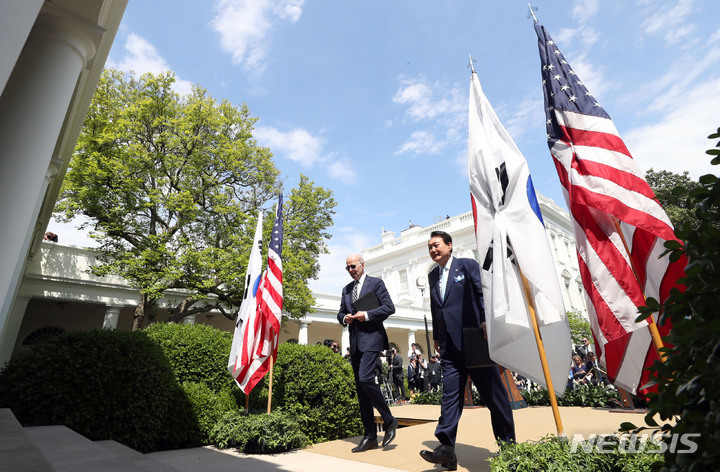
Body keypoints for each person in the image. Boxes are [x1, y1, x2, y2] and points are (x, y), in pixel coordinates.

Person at [419, 231, 515, 470]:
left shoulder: (467, 265)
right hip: (450, 348)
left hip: (474, 341)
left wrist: (485, 321)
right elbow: (436, 308)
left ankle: (510, 447)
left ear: (450, 245)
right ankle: (447, 450)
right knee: (450, 397)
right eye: (429, 247)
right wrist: (438, 337)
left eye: (436, 245)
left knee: (494, 396)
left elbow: (481, 293)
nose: (433, 250)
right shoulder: (432, 276)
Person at [337, 254, 398, 453]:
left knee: (365, 379)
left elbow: (389, 307)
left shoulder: (376, 283)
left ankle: (389, 420)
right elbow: (339, 313)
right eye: (347, 268)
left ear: (362, 265)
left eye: (353, 266)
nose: (350, 270)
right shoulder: (346, 289)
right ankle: (370, 436)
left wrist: (367, 315)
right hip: (355, 344)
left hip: (372, 340)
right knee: (362, 392)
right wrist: (345, 318)